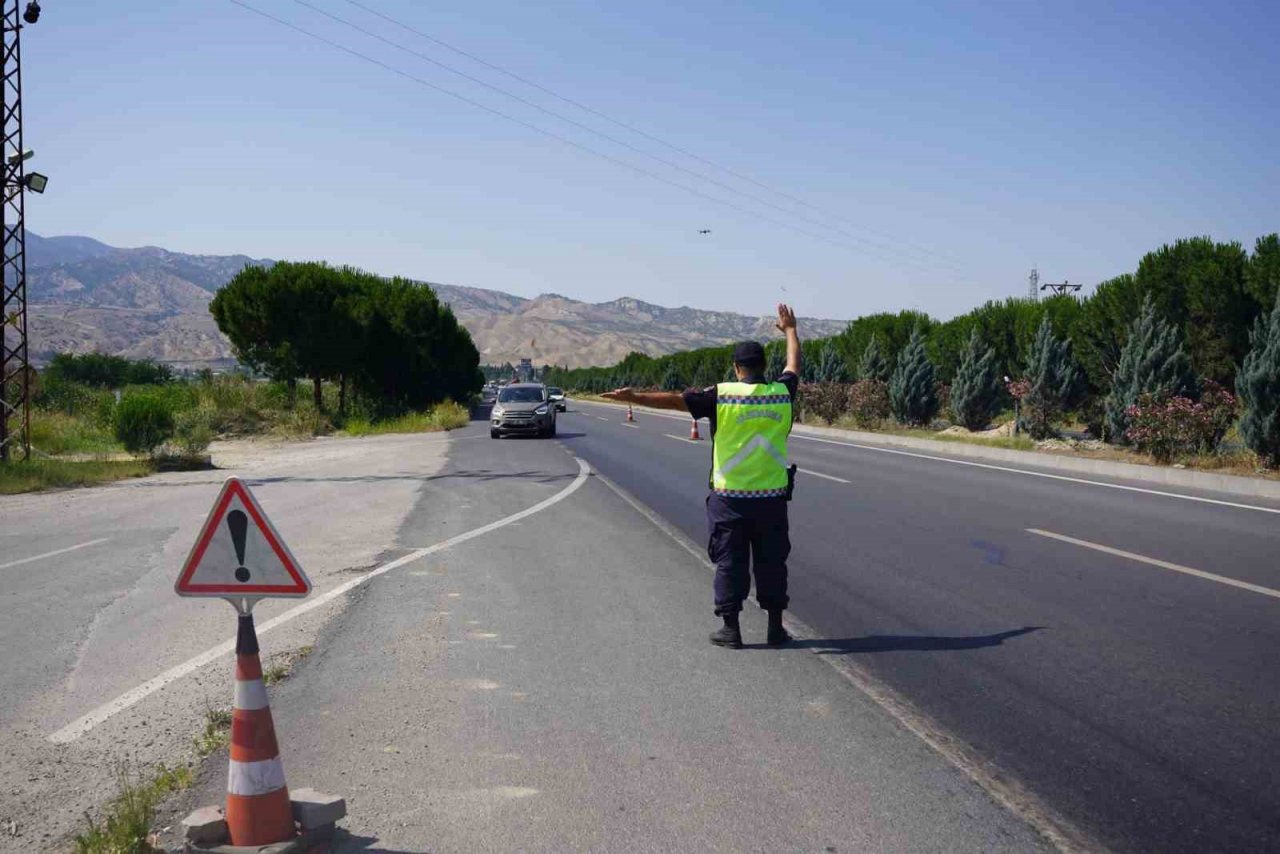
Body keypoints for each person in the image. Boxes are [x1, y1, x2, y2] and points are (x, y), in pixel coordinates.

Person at [604, 304, 801, 649]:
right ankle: (775, 628)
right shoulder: (781, 393)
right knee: (772, 562)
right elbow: (793, 365)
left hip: (730, 499)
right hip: (771, 499)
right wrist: (790, 330)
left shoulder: (721, 395)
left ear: (737, 368)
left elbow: (674, 401)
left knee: (729, 562)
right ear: (763, 367)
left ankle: (731, 629)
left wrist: (633, 397)